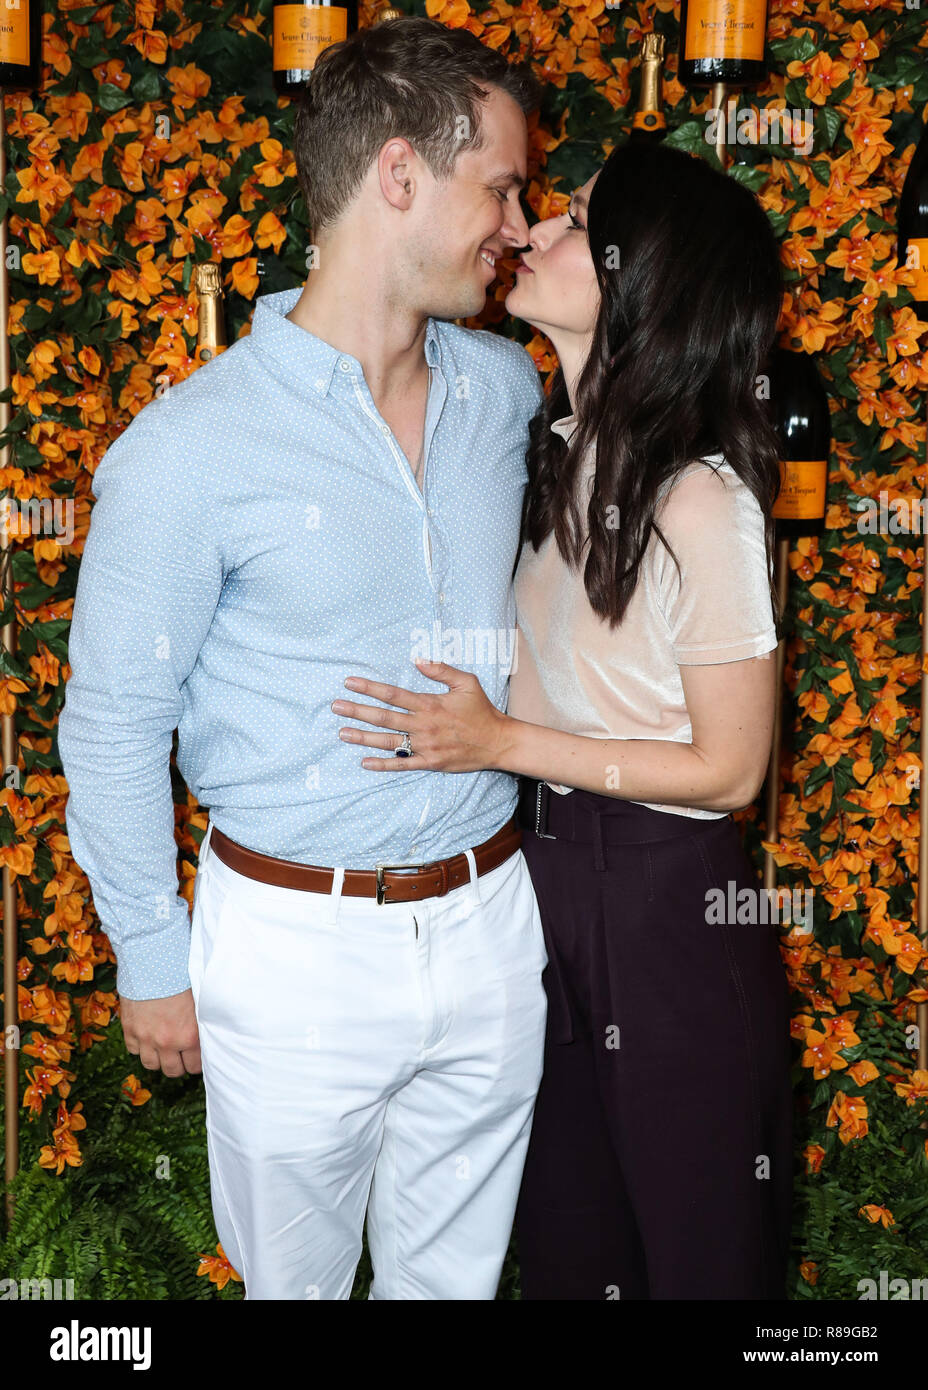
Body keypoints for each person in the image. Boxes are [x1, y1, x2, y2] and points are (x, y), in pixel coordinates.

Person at [57, 16, 551, 1300]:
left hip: (493, 916)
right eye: (499, 185)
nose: (515, 220)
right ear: (399, 175)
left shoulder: (505, 391)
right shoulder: (189, 449)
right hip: (291, 943)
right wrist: (150, 958)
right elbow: (114, 721)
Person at [331, 140, 795, 1300]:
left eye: (573, 218)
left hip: (665, 903)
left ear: (645, 274)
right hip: (527, 887)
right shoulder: (545, 454)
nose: (530, 229)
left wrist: (499, 743)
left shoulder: (702, 497)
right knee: (569, 1255)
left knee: (699, 1265)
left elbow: (734, 769)